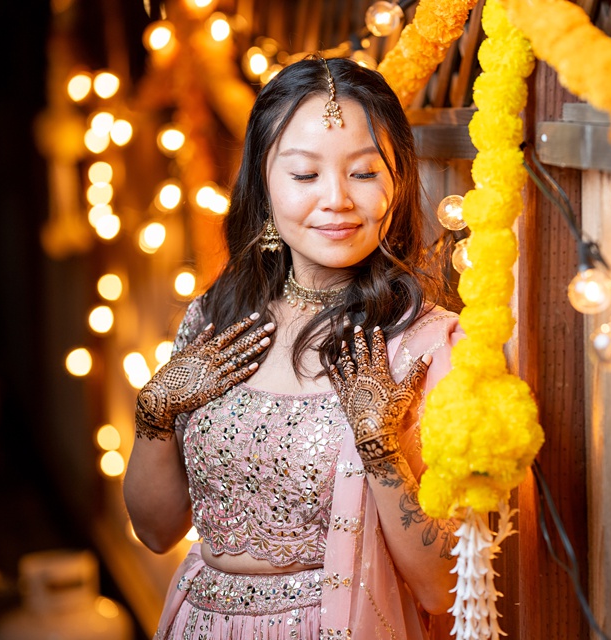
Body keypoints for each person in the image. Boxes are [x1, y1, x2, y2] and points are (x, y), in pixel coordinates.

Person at [123, 56, 463, 640]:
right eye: (305, 175)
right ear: (263, 182)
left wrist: (379, 445)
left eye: (363, 173)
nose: (336, 199)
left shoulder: (426, 343)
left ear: (398, 180)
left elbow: (442, 588)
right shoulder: (215, 319)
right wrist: (155, 413)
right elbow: (156, 533)